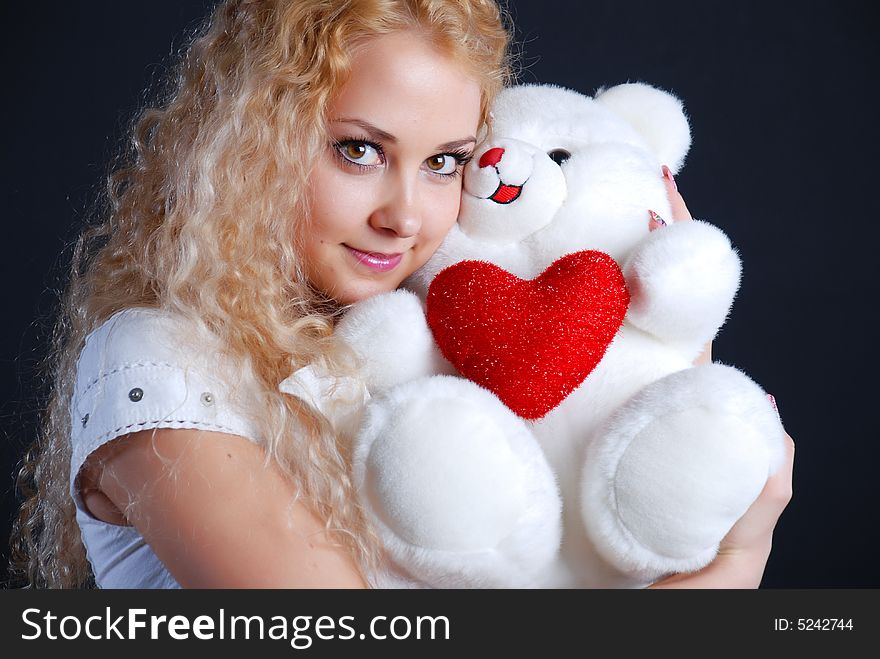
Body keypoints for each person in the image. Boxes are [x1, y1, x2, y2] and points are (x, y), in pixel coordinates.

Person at [9, 0, 792, 589]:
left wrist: (662, 346)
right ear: (251, 141)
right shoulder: (158, 356)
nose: (405, 215)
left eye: (445, 162)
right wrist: (733, 562)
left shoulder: (420, 344)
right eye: (359, 150)